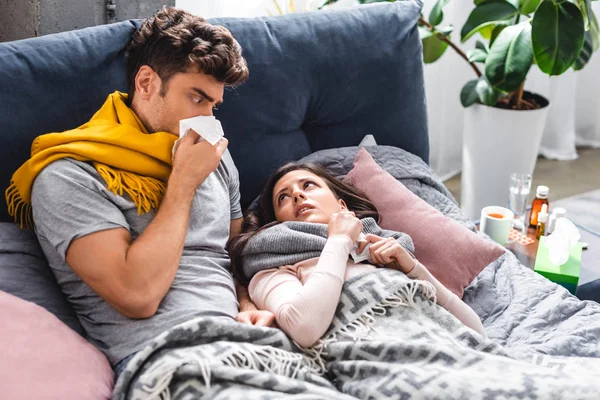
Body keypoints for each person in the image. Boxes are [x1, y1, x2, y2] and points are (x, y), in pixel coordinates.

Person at [5, 7, 273, 375]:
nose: (208, 120)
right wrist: (182, 183)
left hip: (253, 341)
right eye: (197, 98)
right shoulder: (69, 173)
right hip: (171, 357)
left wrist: (246, 302)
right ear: (146, 83)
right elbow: (137, 295)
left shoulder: (212, 157)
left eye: (214, 104)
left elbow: (233, 255)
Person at [228, 162, 486, 348]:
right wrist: (338, 241)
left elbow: (475, 331)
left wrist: (415, 270)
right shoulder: (273, 264)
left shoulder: (385, 250)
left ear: (342, 205)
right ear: (277, 223)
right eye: (283, 197)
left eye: (308, 185)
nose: (297, 194)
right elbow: (303, 327)